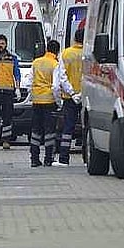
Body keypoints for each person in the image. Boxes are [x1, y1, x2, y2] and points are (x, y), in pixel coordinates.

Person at [29, 40, 64, 167]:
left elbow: (29, 82)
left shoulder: (36, 62)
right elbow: (55, 86)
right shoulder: (55, 64)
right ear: (57, 51)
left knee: (36, 130)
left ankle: (34, 158)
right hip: (49, 101)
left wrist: (33, 96)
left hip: (36, 101)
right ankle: (48, 158)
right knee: (49, 131)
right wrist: (59, 102)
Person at [54, 29, 84, 166]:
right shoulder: (89, 53)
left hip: (69, 97)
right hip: (87, 97)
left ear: (74, 38)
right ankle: (87, 159)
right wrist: (82, 93)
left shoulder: (66, 53)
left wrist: (72, 93)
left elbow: (62, 77)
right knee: (86, 128)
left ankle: (64, 159)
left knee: (68, 128)